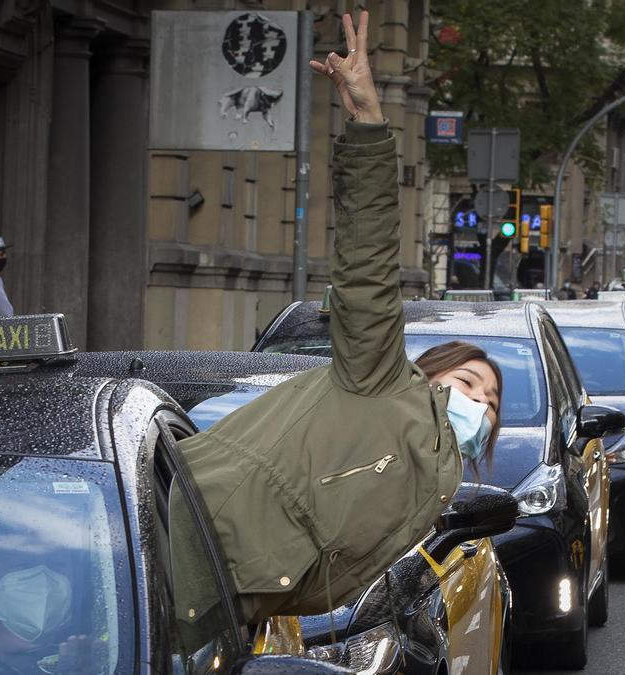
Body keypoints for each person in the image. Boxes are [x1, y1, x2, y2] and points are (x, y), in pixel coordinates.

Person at [176, 11, 503, 625]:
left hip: (225, 608)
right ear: (429, 378)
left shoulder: (431, 487)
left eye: (490, 403)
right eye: (468, 385)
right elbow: (368, 271)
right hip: (176, 551)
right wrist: (369, 127)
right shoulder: (381, 379)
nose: (479, 407)